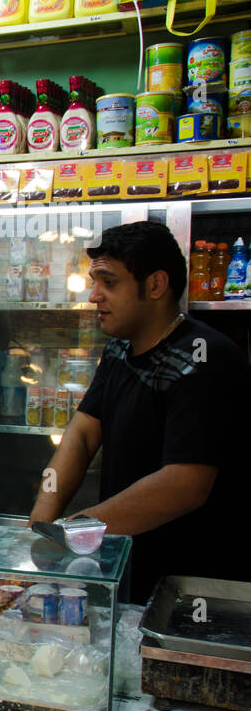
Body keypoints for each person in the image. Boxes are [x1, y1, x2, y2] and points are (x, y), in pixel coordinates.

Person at [30, 222, 251, 604]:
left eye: (108, 282)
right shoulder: (119, 351)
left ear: (156, 285)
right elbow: (81, 437)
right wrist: (40, 524)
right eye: (93, 281)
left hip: (191, 586)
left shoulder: (204, 357)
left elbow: (185, 484)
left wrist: (76, 530)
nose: (94, 296)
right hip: (128, 563)